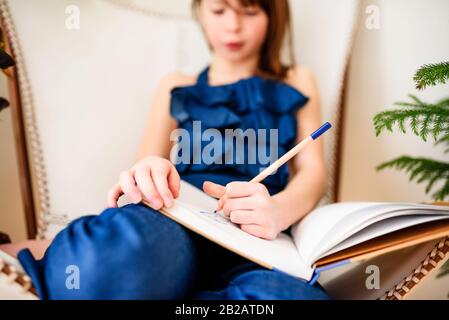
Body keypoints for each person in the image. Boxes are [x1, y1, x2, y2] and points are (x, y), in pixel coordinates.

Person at [12, 0, 330, 299]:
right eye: (219, 10)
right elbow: (146, 161)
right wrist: (149, 170)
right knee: (109, 262)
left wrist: (277, 211)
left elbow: (313, 173)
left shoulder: (298, 80)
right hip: (177, 224)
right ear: (200, 12)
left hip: (261, 240)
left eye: (249, 12)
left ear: (273, 16)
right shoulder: (175, 85)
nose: (233, 26)